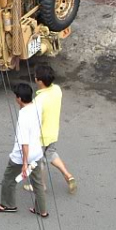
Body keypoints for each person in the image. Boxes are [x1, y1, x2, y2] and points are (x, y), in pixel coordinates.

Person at [0, 83, 47, 217]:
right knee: (38, 183)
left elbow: (24, 144)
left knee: (9, 179)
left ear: (20, 99)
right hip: (37, 152)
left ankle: (7, 204)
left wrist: (24, 163)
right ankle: (42, 210)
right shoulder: (37, 107)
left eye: (16, 97)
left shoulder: (23, 117)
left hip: (22, 156)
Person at [34, 64, 77, 193]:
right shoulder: (57, 89)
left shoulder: (39, 100)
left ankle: (41, 186)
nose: (34, 78)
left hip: (42, 136)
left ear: (40, 81)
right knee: (51, 153)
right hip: (53, 131)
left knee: (39, 161)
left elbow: (35, 121)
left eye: (35, 77)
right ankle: (68, 175)